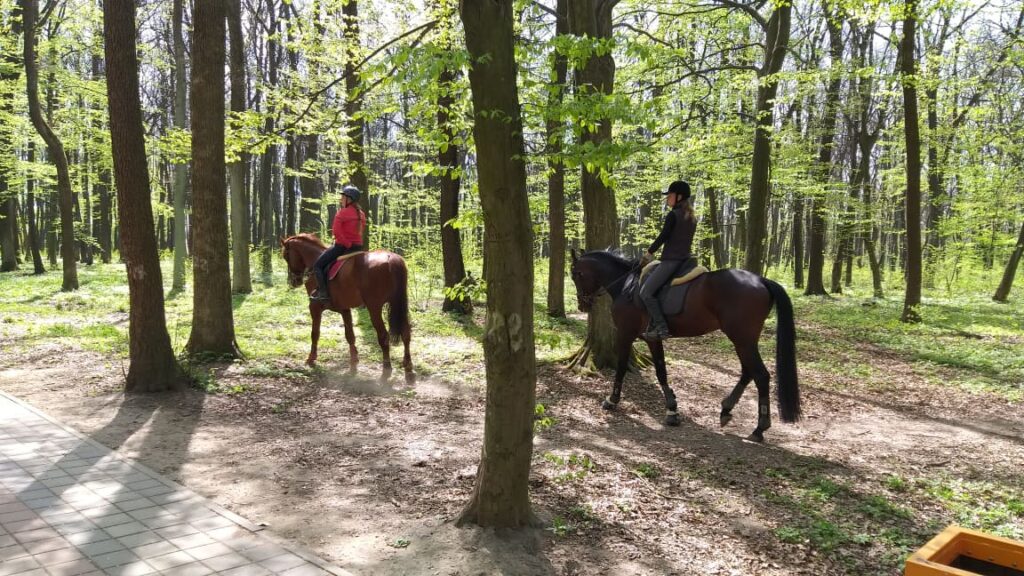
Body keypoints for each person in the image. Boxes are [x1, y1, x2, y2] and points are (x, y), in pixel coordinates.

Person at [640, 180, 696, 341]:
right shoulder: (691, 216)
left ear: (679, 196)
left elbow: (663, 236)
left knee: (646, 292)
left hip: (672, 261)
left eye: (670, 196)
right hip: (687, 260)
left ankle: (662, 328)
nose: (667, 199)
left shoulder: (674, 215)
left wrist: (649, 253)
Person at [310, 185, 367, 302]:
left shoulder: (343, 212)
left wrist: (346, 244)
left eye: (343, 197)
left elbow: (337, 231)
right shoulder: (361, 214)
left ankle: (323, 293)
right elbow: (361, 230)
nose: (341, 199)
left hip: (343, 247)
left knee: (318, 266)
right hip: (358, 247)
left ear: (349, 199)